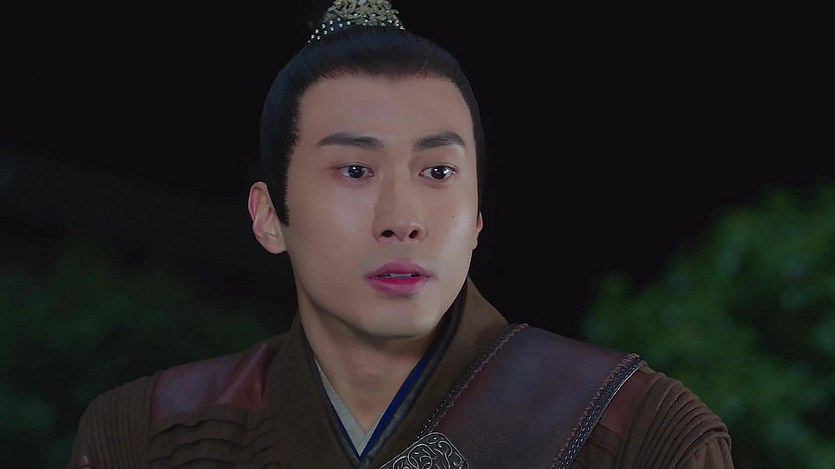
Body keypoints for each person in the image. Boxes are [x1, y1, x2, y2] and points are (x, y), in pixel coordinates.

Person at [65, 1, 734, 467]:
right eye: (355, 170)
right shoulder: (147, 436)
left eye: (437, 171)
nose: (402, 216)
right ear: (269, 216)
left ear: (476, 218)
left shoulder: (639, 431)